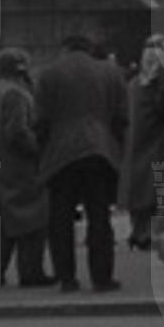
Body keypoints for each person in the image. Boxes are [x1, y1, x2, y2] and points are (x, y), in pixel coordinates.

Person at [34, 33, 128, 293]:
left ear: (64, 49)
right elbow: (122, 117)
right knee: (99, 216)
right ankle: (102, 277)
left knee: (60, 218)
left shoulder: (48, 74)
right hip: (100, 151)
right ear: (90, 49)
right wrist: (116, 148)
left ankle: (66, 277)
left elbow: (40, 120)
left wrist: (41, 152)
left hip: (60, 154)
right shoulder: (111, 73)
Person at [0, 50, 50, 289]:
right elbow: (17, 131)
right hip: (17, 168)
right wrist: (39, 149)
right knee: (31, 222)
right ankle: (31, 272)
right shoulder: (16, 94)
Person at [122, 37, 164, 259]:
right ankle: (148, 234)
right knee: (153, 190)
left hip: (135, 142)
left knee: (139, 189)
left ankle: (138, 232)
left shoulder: (133, 84)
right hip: (157, 143)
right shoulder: (163, 84)